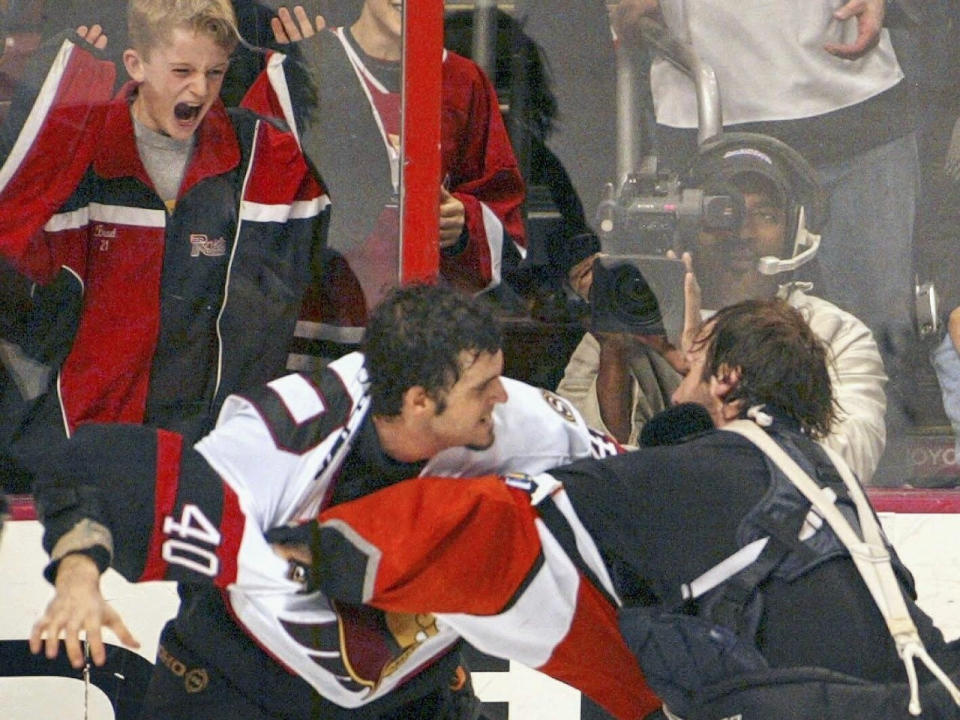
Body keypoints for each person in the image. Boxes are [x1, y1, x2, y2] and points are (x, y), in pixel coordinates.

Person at [28, 284, 650, 720]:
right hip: (242, 684)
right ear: (417, 402)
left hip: (412, 694)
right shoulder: (284, 434)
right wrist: (79, 576)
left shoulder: (516, 422)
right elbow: (101, 471)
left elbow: (635, 482)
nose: (503, 401)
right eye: (483, 388)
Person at [0, 0, 328, 487]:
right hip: (90, 447)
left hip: (210, 454)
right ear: (136, 65)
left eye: (215, 72)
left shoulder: (259, 153)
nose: (199, 89)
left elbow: (338, 230)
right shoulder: (81, 153)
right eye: (181, 70)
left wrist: (319, 75)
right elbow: (15, 240)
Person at [557, 134, 888, 483]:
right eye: (721, 211)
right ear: (688, 228)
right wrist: (614, 355)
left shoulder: (837, 334)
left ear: (794, 231)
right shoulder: (631, 320)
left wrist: (708, 375)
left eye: (765, 214)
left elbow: (849, 461)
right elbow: (580, 462)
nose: (742, 231)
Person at [261, 3, 526, 366]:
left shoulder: (465, 83)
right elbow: (254, 200)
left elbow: (504, 216)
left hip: (420, 348)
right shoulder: (301, 67)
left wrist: (464, 224)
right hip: (311, 344)